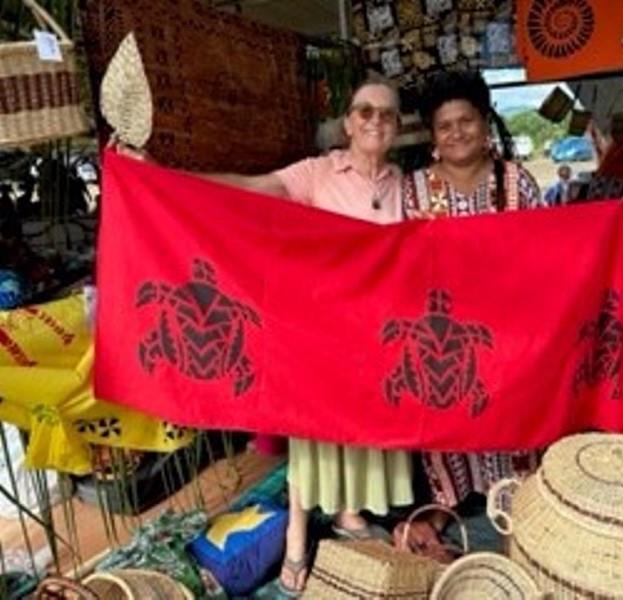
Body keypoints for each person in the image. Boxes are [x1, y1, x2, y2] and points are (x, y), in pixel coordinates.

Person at [119, 78, 413, 596]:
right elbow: (248, 188)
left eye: (386, 114)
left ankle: (348, 513)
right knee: (311, 431)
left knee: (365, 427)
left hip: (375, 333)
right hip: (319, 328)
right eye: (364, 111)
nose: (375, 120)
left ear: (397, 126)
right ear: (347, 123)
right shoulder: (317, 172)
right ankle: (297, 540)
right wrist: (162, 177)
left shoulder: (403, 186)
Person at [400, 71, 544, 551]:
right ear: (434, 139)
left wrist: (610, 221)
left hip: (508, 327)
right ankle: (446, 503)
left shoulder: (515, 181)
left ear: (485, 128)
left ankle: (520, 504)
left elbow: (549, 245)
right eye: (445, 126)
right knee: (447, 416)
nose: (457, 132)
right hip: (443, 330)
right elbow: (393, 259)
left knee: (513, 415)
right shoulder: (413, 189)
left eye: (467, 121)